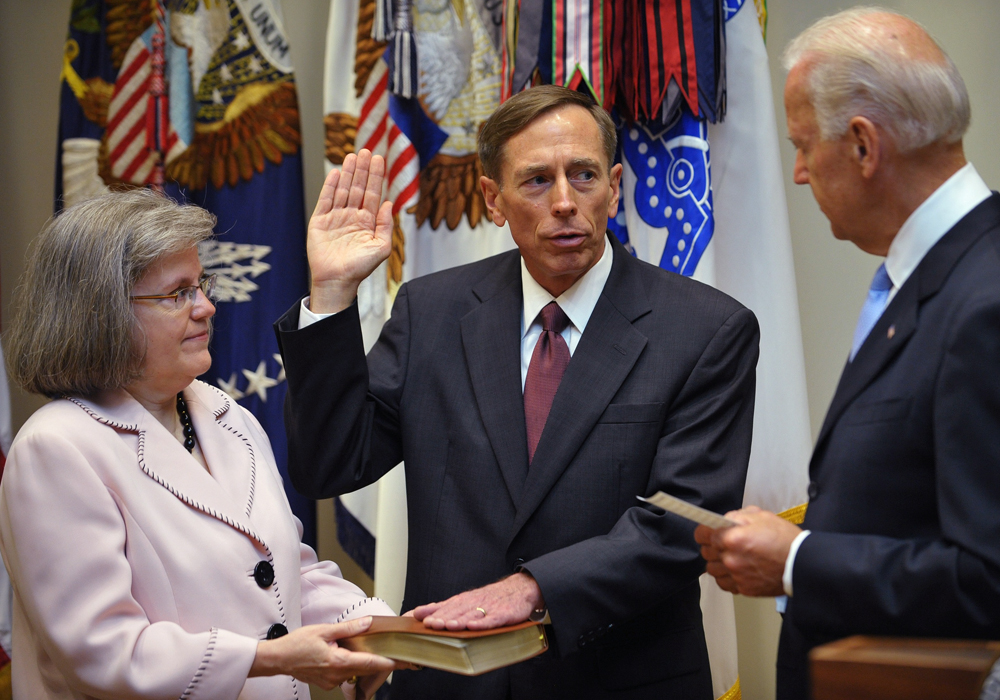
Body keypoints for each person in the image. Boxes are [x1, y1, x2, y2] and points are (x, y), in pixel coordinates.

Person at [275, 85, 760, 699]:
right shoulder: (433, 311)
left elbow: (682, 522)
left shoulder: (706, 329)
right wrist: (331, 296)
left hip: (617, 681)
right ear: (492, 199)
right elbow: (330, 464)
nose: (564, 202)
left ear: (614, 185)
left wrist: (534, 588)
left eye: (583, 175)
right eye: (536, 181)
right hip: (448, 682)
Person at [694, 8, 1000, 700]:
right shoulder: (924, 275)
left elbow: (987, 578)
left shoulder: (984, 302)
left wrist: (798, 558)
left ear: (864, 146)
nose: (798, 173)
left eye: (803, 145)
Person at [0, 189, 405, 700]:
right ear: (100, 313)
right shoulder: (56, 448)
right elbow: (102, 652)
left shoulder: (221, 412)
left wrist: (379, 626)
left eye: (201, 285)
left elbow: (281, 573)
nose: (208, 307)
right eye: (178, 294)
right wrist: (270, 658)